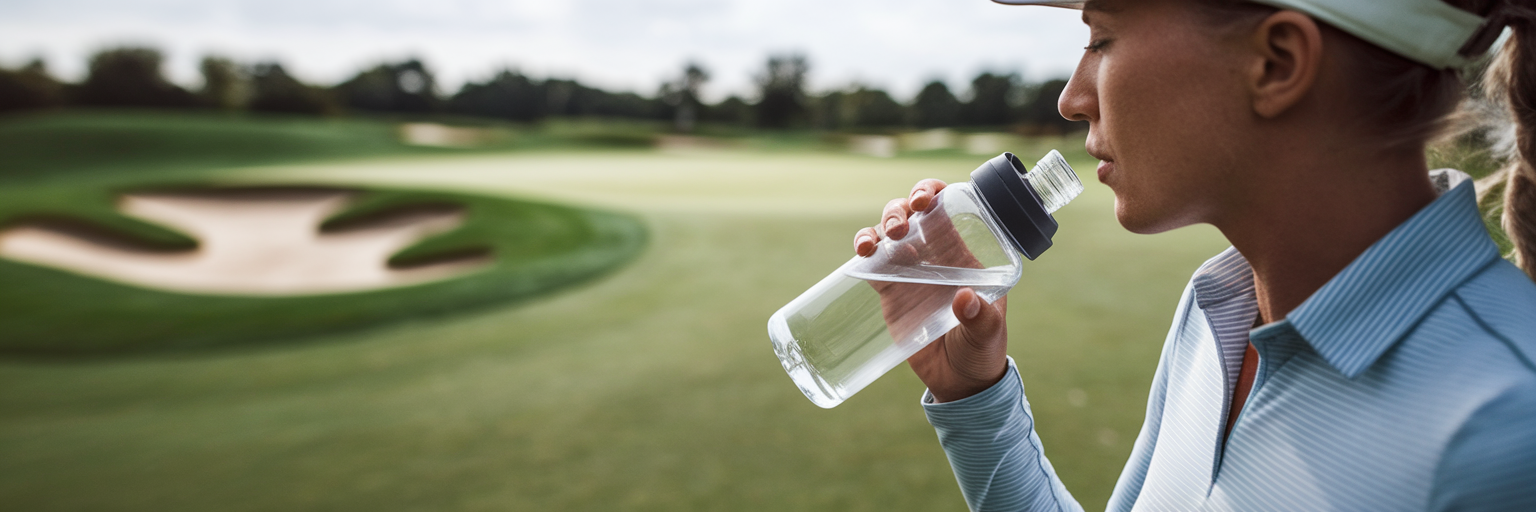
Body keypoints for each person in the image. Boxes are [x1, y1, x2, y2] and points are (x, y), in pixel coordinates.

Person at [854, 0, 1536, 510]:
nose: (1071, 98)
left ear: (1277, 64)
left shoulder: (1507, 429)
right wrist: (974, 395)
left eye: (1101, 39)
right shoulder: (1218, 313)